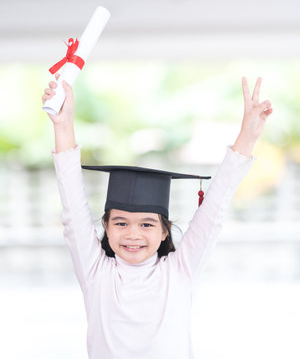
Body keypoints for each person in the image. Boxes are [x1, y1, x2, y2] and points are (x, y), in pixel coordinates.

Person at [42, 76, 272, 359]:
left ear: (165, 231)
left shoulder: (179, 271)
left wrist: (247, 136)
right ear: (106, 226)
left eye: (147, 224)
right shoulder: (96, 273)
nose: (133, 234)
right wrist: (63, 125)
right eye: (121, 223)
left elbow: (215, 208)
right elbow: (72, 208)